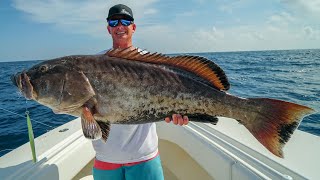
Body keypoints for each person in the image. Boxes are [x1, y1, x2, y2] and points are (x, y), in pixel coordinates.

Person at [92, 4, 189, 180]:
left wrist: (181, 113)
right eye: (114, 22)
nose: (120, 26)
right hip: (105, 159)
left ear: (133, 27)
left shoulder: (152, 63)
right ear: (108, 29)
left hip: (144, 157)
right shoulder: (93, 64)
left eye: (125, 21)